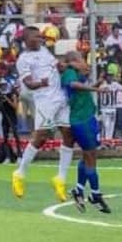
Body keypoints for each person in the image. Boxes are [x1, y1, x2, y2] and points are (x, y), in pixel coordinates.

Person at [11, 26, 75, 202]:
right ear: (26, 40)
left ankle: (60, 179)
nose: (40, 39)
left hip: (60, 98)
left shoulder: (45, 51)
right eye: (36, 37)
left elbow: (57, 66)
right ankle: (20, 173)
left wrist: (66, 65)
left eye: (40, 36)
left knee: (69, 135)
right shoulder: (23, 60)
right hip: (44, 100)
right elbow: (30, 84)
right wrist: (42, 82)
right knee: (41, 137)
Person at [62, 52, 111, 214]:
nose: (84, 62)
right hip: (81, 120)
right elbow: (74, 86)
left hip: (88, 117)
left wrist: (99, 82)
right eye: (81, 58)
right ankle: (95, 194)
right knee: (91, 157)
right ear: (74, 61)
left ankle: (79, 189)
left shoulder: (77, 73)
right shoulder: (69, 73)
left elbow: (81, 90)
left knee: (88, 156)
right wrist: (95, 88)